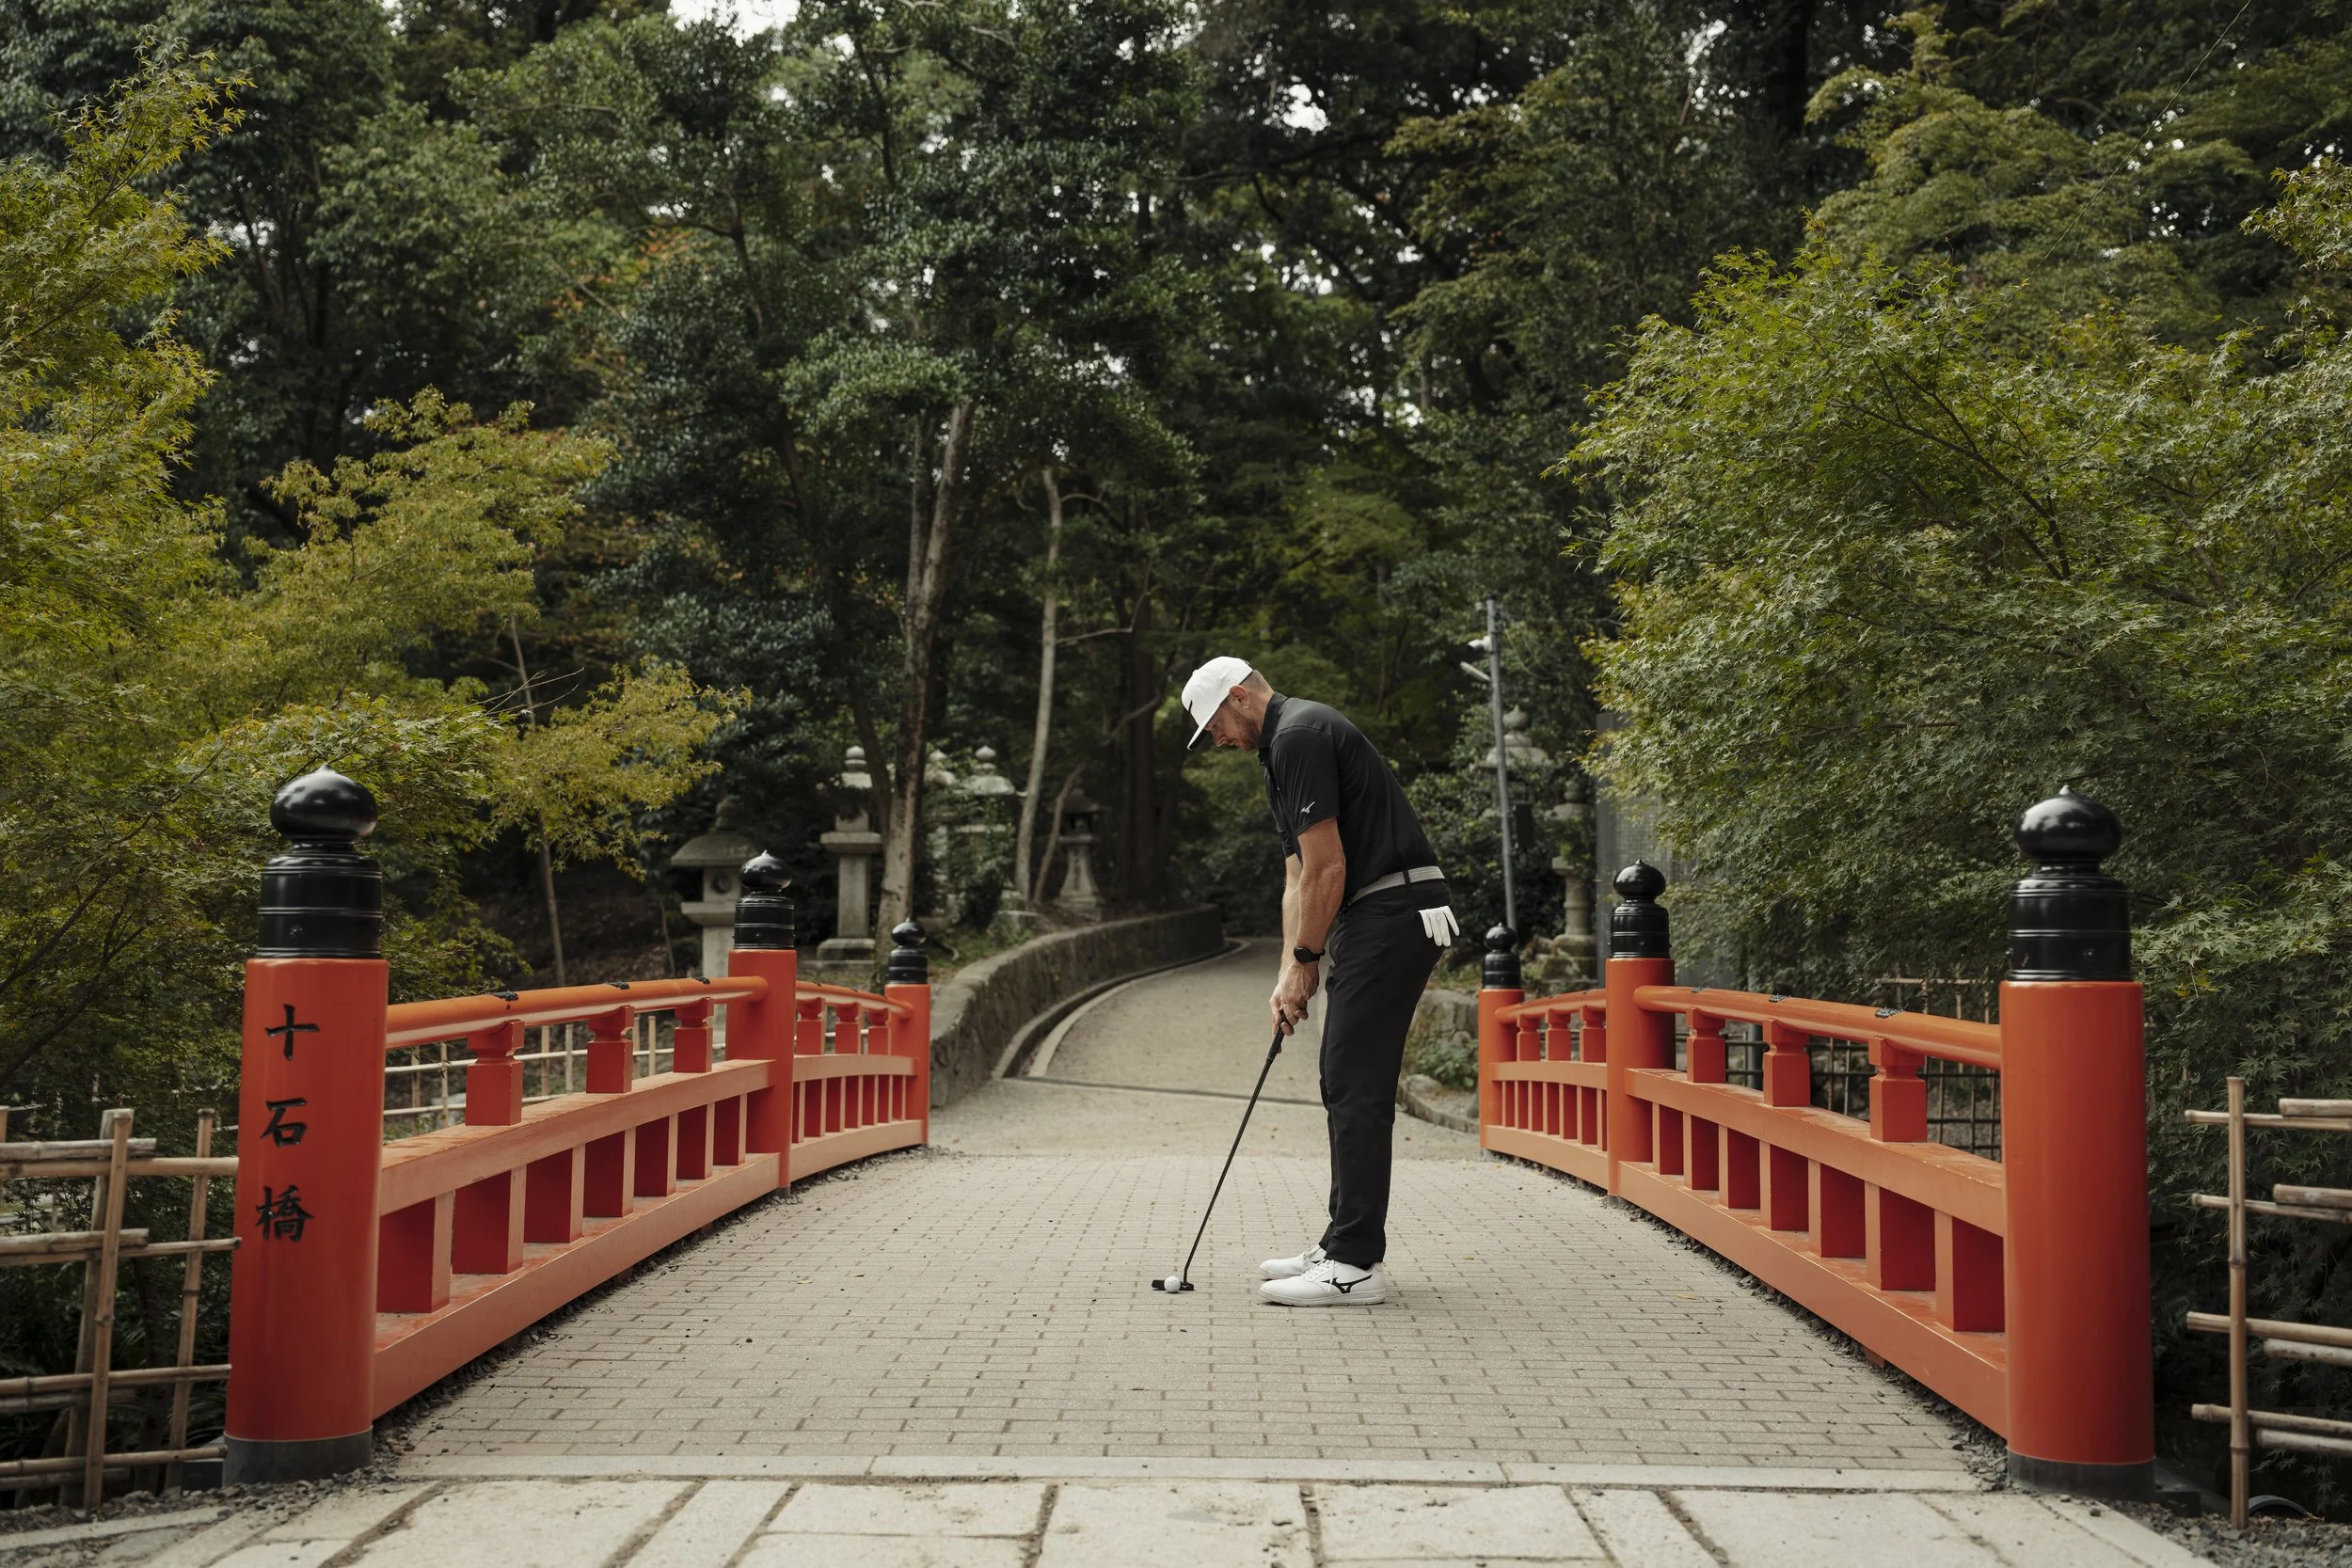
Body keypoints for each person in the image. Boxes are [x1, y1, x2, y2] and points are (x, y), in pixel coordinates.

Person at [1181, 656, 1460, 1306]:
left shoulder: (1301, 733)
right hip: (1375, 916)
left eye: (1214, 725)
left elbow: (1329, 869)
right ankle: (1341, 1242)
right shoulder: (1279, 751)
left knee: (1355, 1082)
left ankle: (1357, 1265)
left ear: (1241, 696)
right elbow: (1296, 876)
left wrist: (1309, 958)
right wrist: (1289, 971)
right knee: (1340, 1077)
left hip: (1394, 910)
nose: (1216, 741)